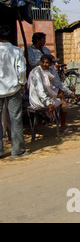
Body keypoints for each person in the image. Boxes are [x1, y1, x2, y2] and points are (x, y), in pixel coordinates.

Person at [28, 54, 77, 133]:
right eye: (42, 62)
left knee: (61, 94)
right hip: (37, 100)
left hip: (45, 97)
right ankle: (63, 125)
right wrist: (48, 103)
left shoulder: (49, 71)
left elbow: (58, 83)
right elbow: (40, 90)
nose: (44, 65)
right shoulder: (36, 72)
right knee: (61, 100)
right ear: (40, 62)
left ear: (50, 64)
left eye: (47, 63)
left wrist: (70, 93)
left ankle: (62, 125)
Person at [0, 24, 28, 158]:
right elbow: (22, 70)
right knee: (16, 118)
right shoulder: (16, 50)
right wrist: (22, 82)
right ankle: (17, 150)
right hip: (13, 88)